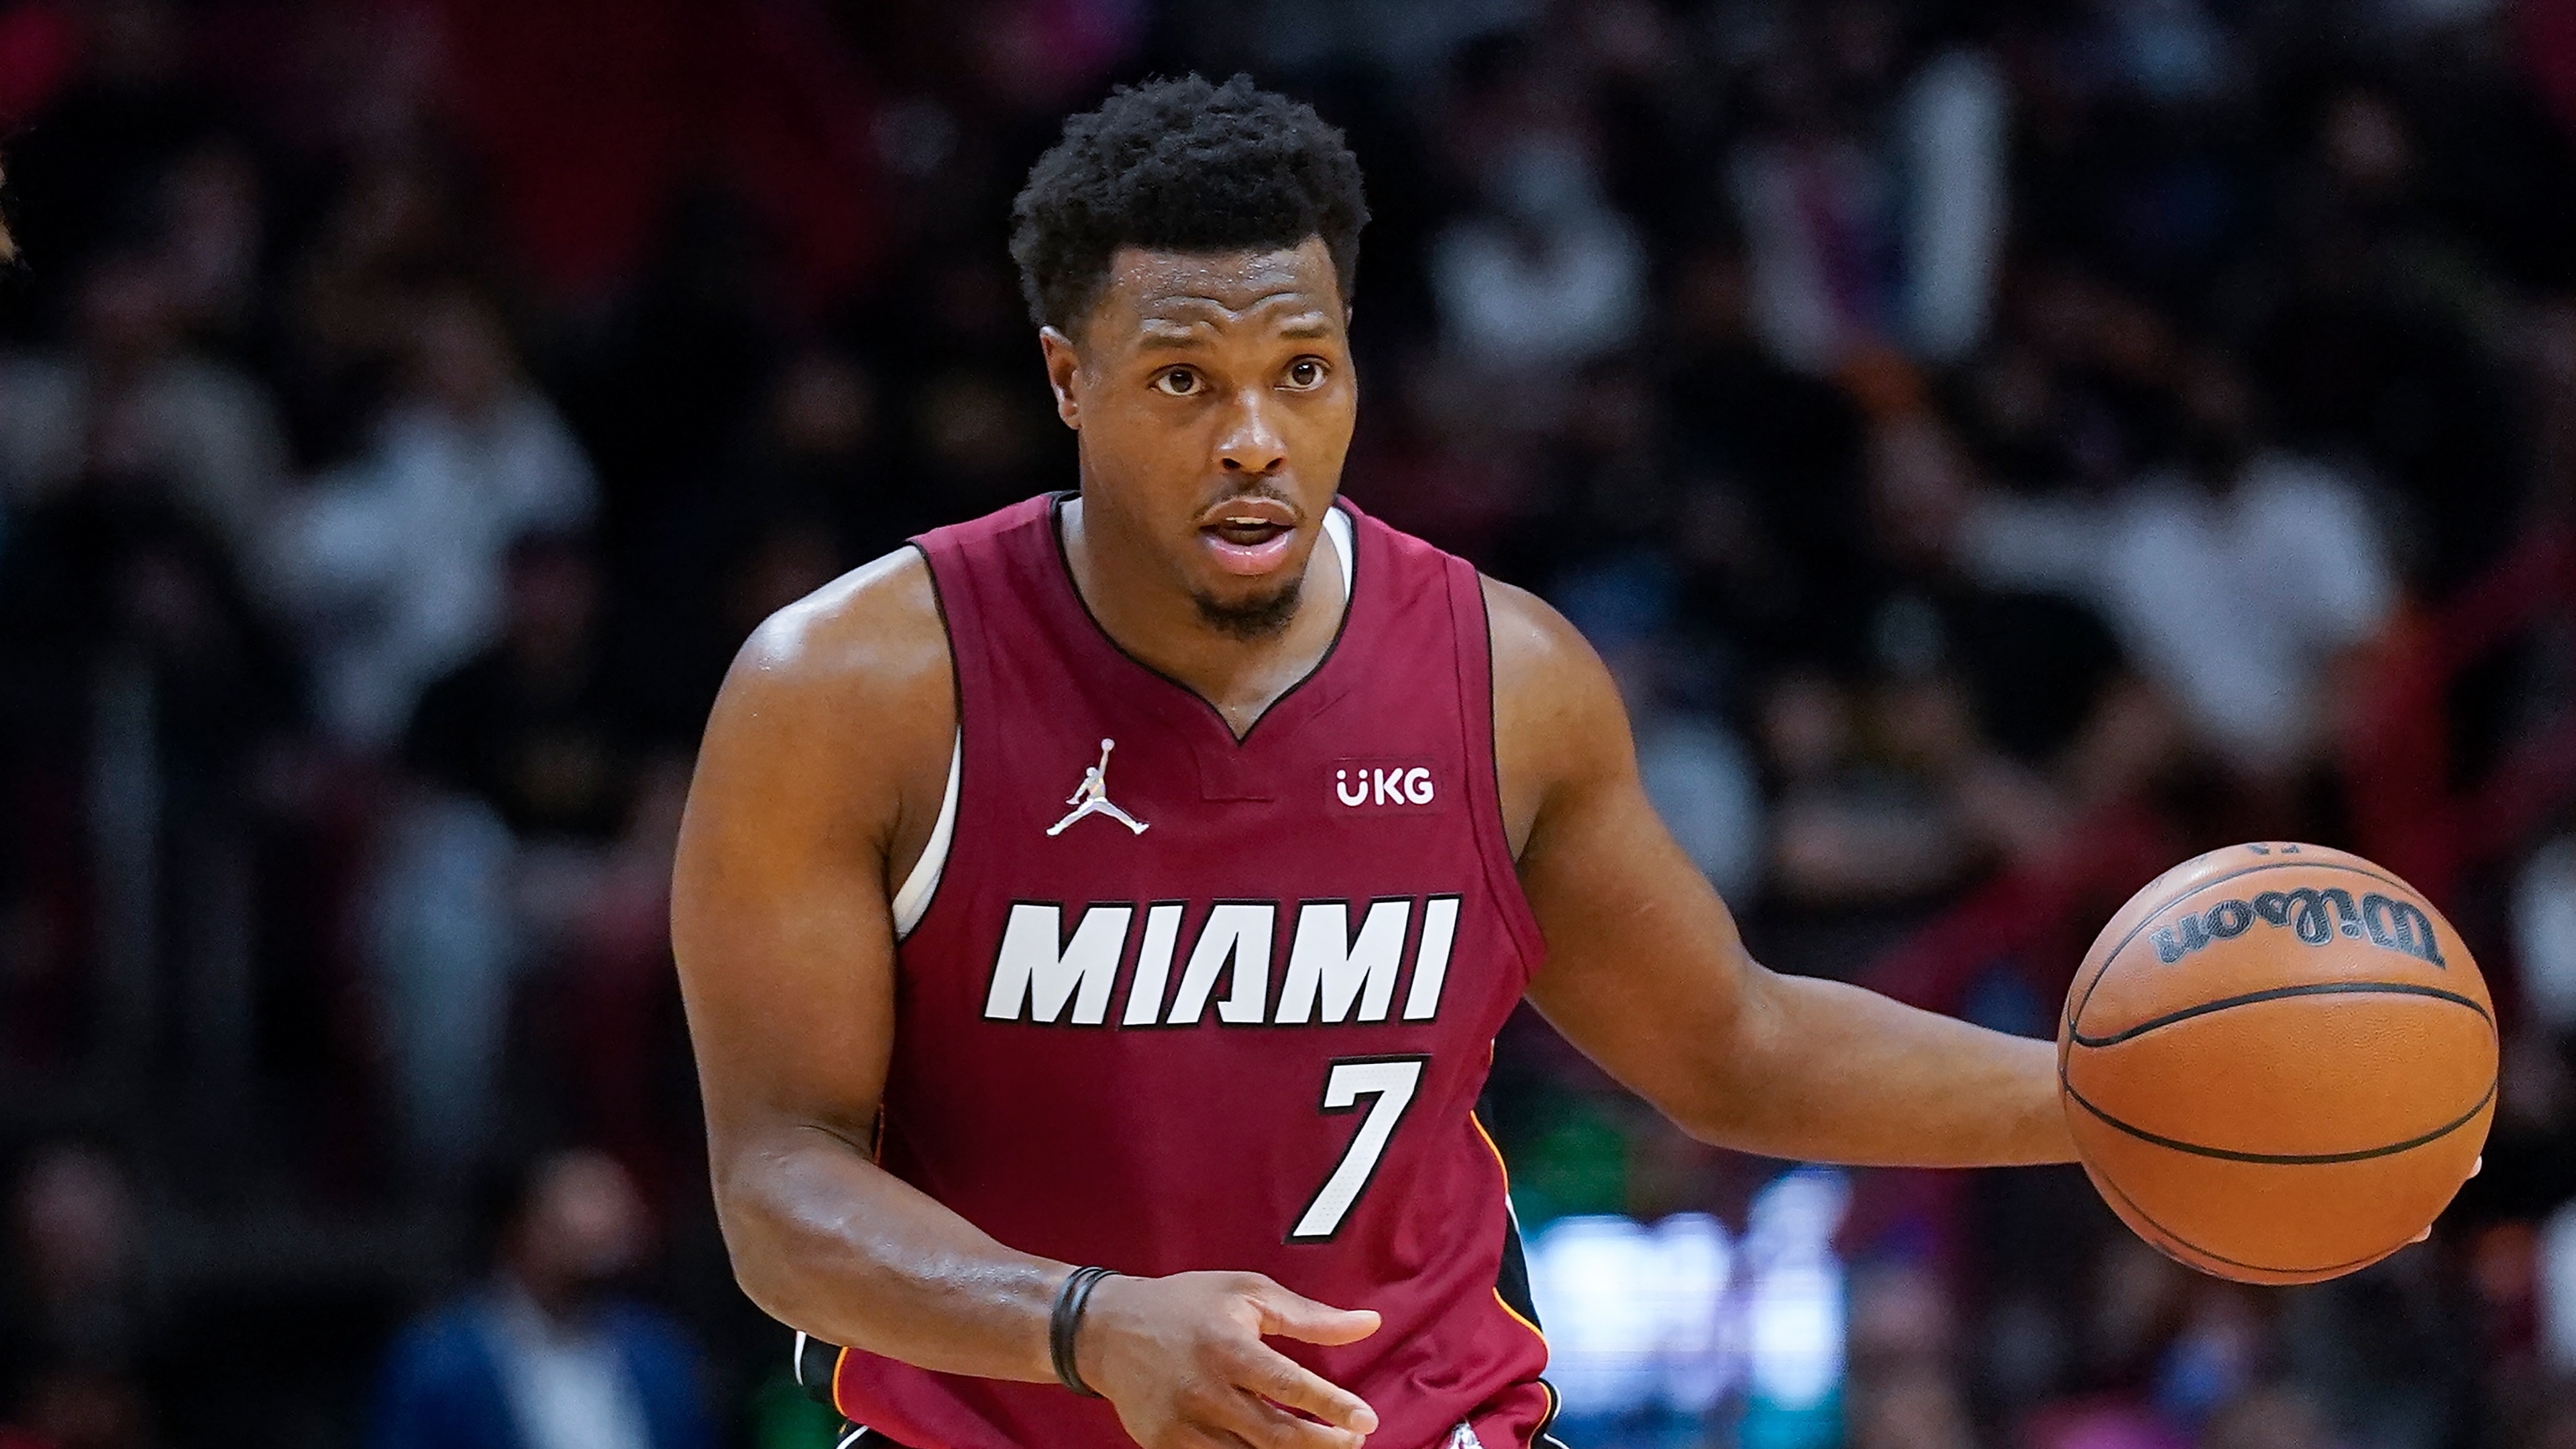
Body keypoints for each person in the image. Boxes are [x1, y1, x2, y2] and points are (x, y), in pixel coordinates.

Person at [671, 74, 2075, 1449]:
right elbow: (780, 1186)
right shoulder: (852, 691)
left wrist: (2102, 1106)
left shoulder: (1503, 679)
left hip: (1420, 1421)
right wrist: (1089, 1325)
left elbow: (1735, 1046)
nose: (1253, 442)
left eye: (1302, 373)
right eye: (1181, 381)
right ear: (1067, 379)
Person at [368, 1148, 714, 1449]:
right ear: (525, 1225)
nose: (615, 1219)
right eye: (590, 1199)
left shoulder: (660, 1353)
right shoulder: (440, 1363)